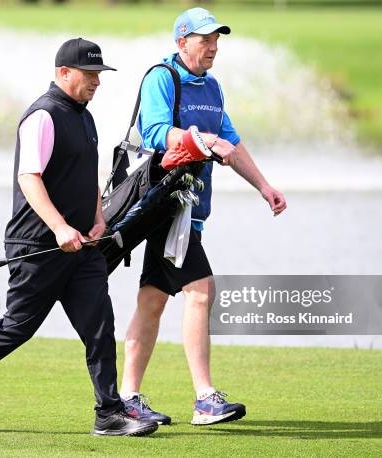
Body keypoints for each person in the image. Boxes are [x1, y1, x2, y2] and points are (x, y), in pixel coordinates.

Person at [0, 38, 158, 437]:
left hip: (81, 246)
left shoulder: (85, 117)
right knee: (18, 326)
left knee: (100, 325)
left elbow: (85, 176)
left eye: (99, 75)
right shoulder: (43, 116)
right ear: (63, 73)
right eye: (89, 74)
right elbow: (28, 178)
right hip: (38, 245)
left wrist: (98, 217)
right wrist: (60, 227)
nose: (96, 82)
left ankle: (109, 412)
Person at [120, 9, 287, 426]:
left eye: (216, 39)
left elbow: (231, 141)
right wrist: (201, 139)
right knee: (200, 290)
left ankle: (127, 396)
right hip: (164, 204)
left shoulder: (212, 87)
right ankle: (204, 399)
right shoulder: (162, 77)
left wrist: (264, 186)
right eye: (204, 39)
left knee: (153, 300)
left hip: (191, 210)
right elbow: (155, 131)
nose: (213, 46)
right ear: (182, 42)